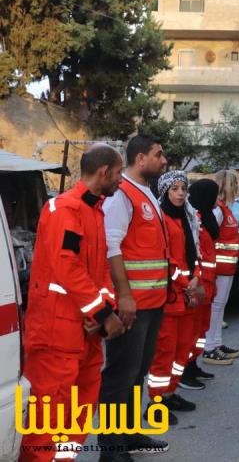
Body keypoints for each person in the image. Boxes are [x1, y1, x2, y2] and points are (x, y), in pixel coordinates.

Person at [20, 145, 125, 462]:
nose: (120, 181)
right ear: (104, 171)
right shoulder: (64, 210)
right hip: (56, 336)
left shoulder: (94, 212)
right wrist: (104, 314)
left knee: (77, 416)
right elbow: (68, 267)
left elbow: (101, 272)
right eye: (119, 173)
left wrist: (102, 310)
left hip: (84, 335)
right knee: (47, 421)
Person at [98, 134, 169, 456]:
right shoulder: (122, 196)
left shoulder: (146, 193)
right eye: (158, 154)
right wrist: (124, 297)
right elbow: (110, 248)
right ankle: (111, 448)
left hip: (152, 303)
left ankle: (129, 434)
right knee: (120, 376)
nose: (163, 160)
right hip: (132, 305)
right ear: (140, 159)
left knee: (137, 373)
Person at [147, 171, 202, 426]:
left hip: (188, 295)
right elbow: (167, 260)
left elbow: (196, 253)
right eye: (175, 188)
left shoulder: (187, 217)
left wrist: (197, 277)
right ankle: (156, 402)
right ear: (165, 192)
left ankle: (170, 392)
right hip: (171, 298)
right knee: (164, 353)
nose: (180, 193)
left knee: (183, 349)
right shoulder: (161, 219)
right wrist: (187, 284)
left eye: (183, 188)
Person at [183, 179, 226, 388]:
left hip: (208, 284)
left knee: (201, 330)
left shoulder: (205, 218)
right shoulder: (194, 220)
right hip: (199, 284)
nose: (217, 199)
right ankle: (184, 371)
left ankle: (193, 364)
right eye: (214, 195)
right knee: (191, 332)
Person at [203, 170, 239, 365]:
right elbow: (209, 239)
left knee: (220, 306)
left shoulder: (224, 208)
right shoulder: (218, 210)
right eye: (234, 185)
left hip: (226, 267)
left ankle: (216, 342)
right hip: (219, 268)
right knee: (216, 307)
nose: (236, 189)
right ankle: (209, 347)